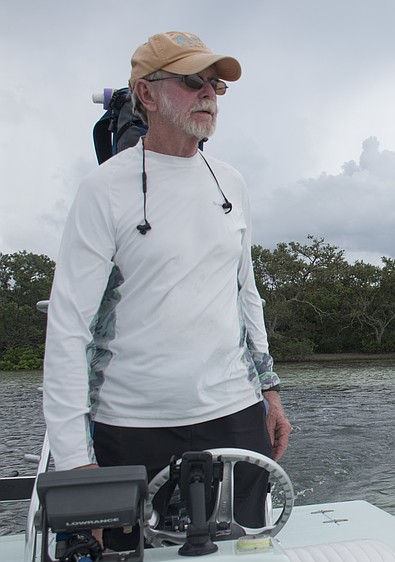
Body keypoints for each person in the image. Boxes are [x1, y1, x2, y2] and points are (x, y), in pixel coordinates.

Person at [42, 31, 291, 536]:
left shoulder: (232, 183)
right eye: (192, 81)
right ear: (146, 94)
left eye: (215, 85)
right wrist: (73, 459)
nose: (208, 94)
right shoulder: (103, 191)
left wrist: (271, 392)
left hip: (236, 414)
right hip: (131, 424)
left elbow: (246, 294)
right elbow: (69, 327)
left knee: (247, 549)